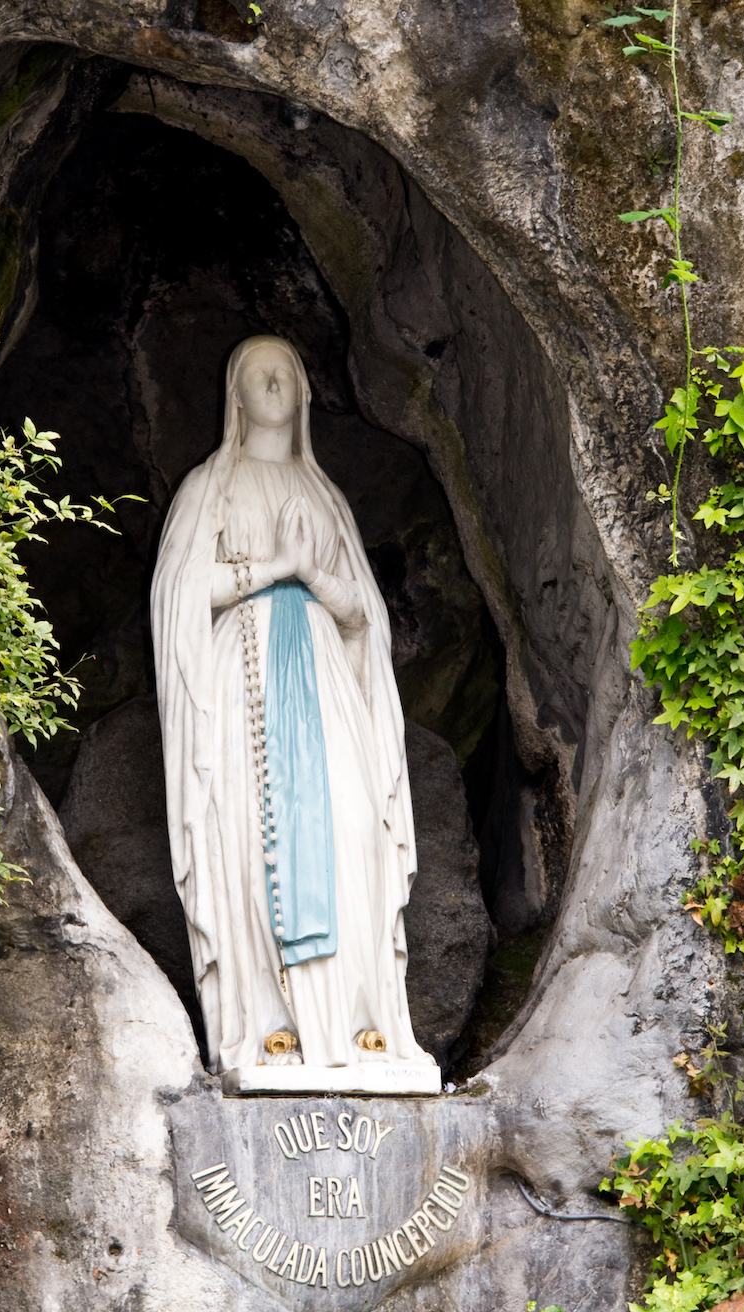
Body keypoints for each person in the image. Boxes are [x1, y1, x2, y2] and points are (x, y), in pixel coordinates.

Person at [151, 335, 434, 1079]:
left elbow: (360, 616)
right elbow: (182, 591)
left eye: (287, 371)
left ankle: (361, 1024)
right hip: (241, 682)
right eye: (256, 373)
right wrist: (276, 568)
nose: (274, 381)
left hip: (324, 680)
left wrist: (313, 574)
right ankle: (271, 1025)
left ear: (307, 393)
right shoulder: (210, 487)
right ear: (233, 398)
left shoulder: (325, 498)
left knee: (350, 829)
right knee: (251, 836)